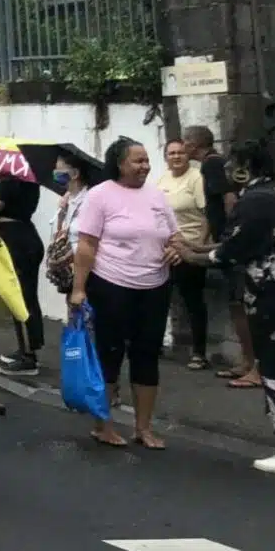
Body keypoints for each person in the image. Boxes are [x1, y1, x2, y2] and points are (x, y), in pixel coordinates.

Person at [174, 140, 275, 476]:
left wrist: (195, 256)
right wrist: (203, 247)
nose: (227, 172)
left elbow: (234, 249)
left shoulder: (255, 201)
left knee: (274, 366)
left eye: (233, 166)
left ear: (245, 169)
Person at [69, 137, 176, 450]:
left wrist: (175, 250)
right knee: (109, 354)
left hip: (155, 286)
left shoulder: (156, 195)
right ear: (119, 164)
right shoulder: (100, 196)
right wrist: (78, 289)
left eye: (146, 161)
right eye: (137, 161)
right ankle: (103, 425)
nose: (144, 166)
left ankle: (143, 428)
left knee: (146, 356)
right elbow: (87, 244)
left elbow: (173, 236)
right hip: (110, 285)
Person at [186, 124, 258, 387]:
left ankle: (252, 364)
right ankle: (247, 362)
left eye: (185, 141)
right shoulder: (214, 163)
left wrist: (229, 235)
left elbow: (228, 199)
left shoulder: (210, 165)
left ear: (193, 144)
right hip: (225, 244)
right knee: (237, 305)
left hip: (230, 247)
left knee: (241, 306)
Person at [0, 156, 47, 379]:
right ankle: (26, 349)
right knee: (26, 298)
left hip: (17, 243)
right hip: (26, 239)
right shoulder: (31, 181)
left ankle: (29, 357)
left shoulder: (10, 182)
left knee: (21, 300)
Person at [158, 137, 212, 369]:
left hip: (190, 250)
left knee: (193, 301)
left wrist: (195, 246)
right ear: (166, 158)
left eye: (180, 152)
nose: (177, 157)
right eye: (171, 153)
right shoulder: (161, 180)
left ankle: (199, 352)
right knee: (158, 299)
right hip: (166, 249)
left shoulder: (197, 179)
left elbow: (208, 215)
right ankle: (155, 344)